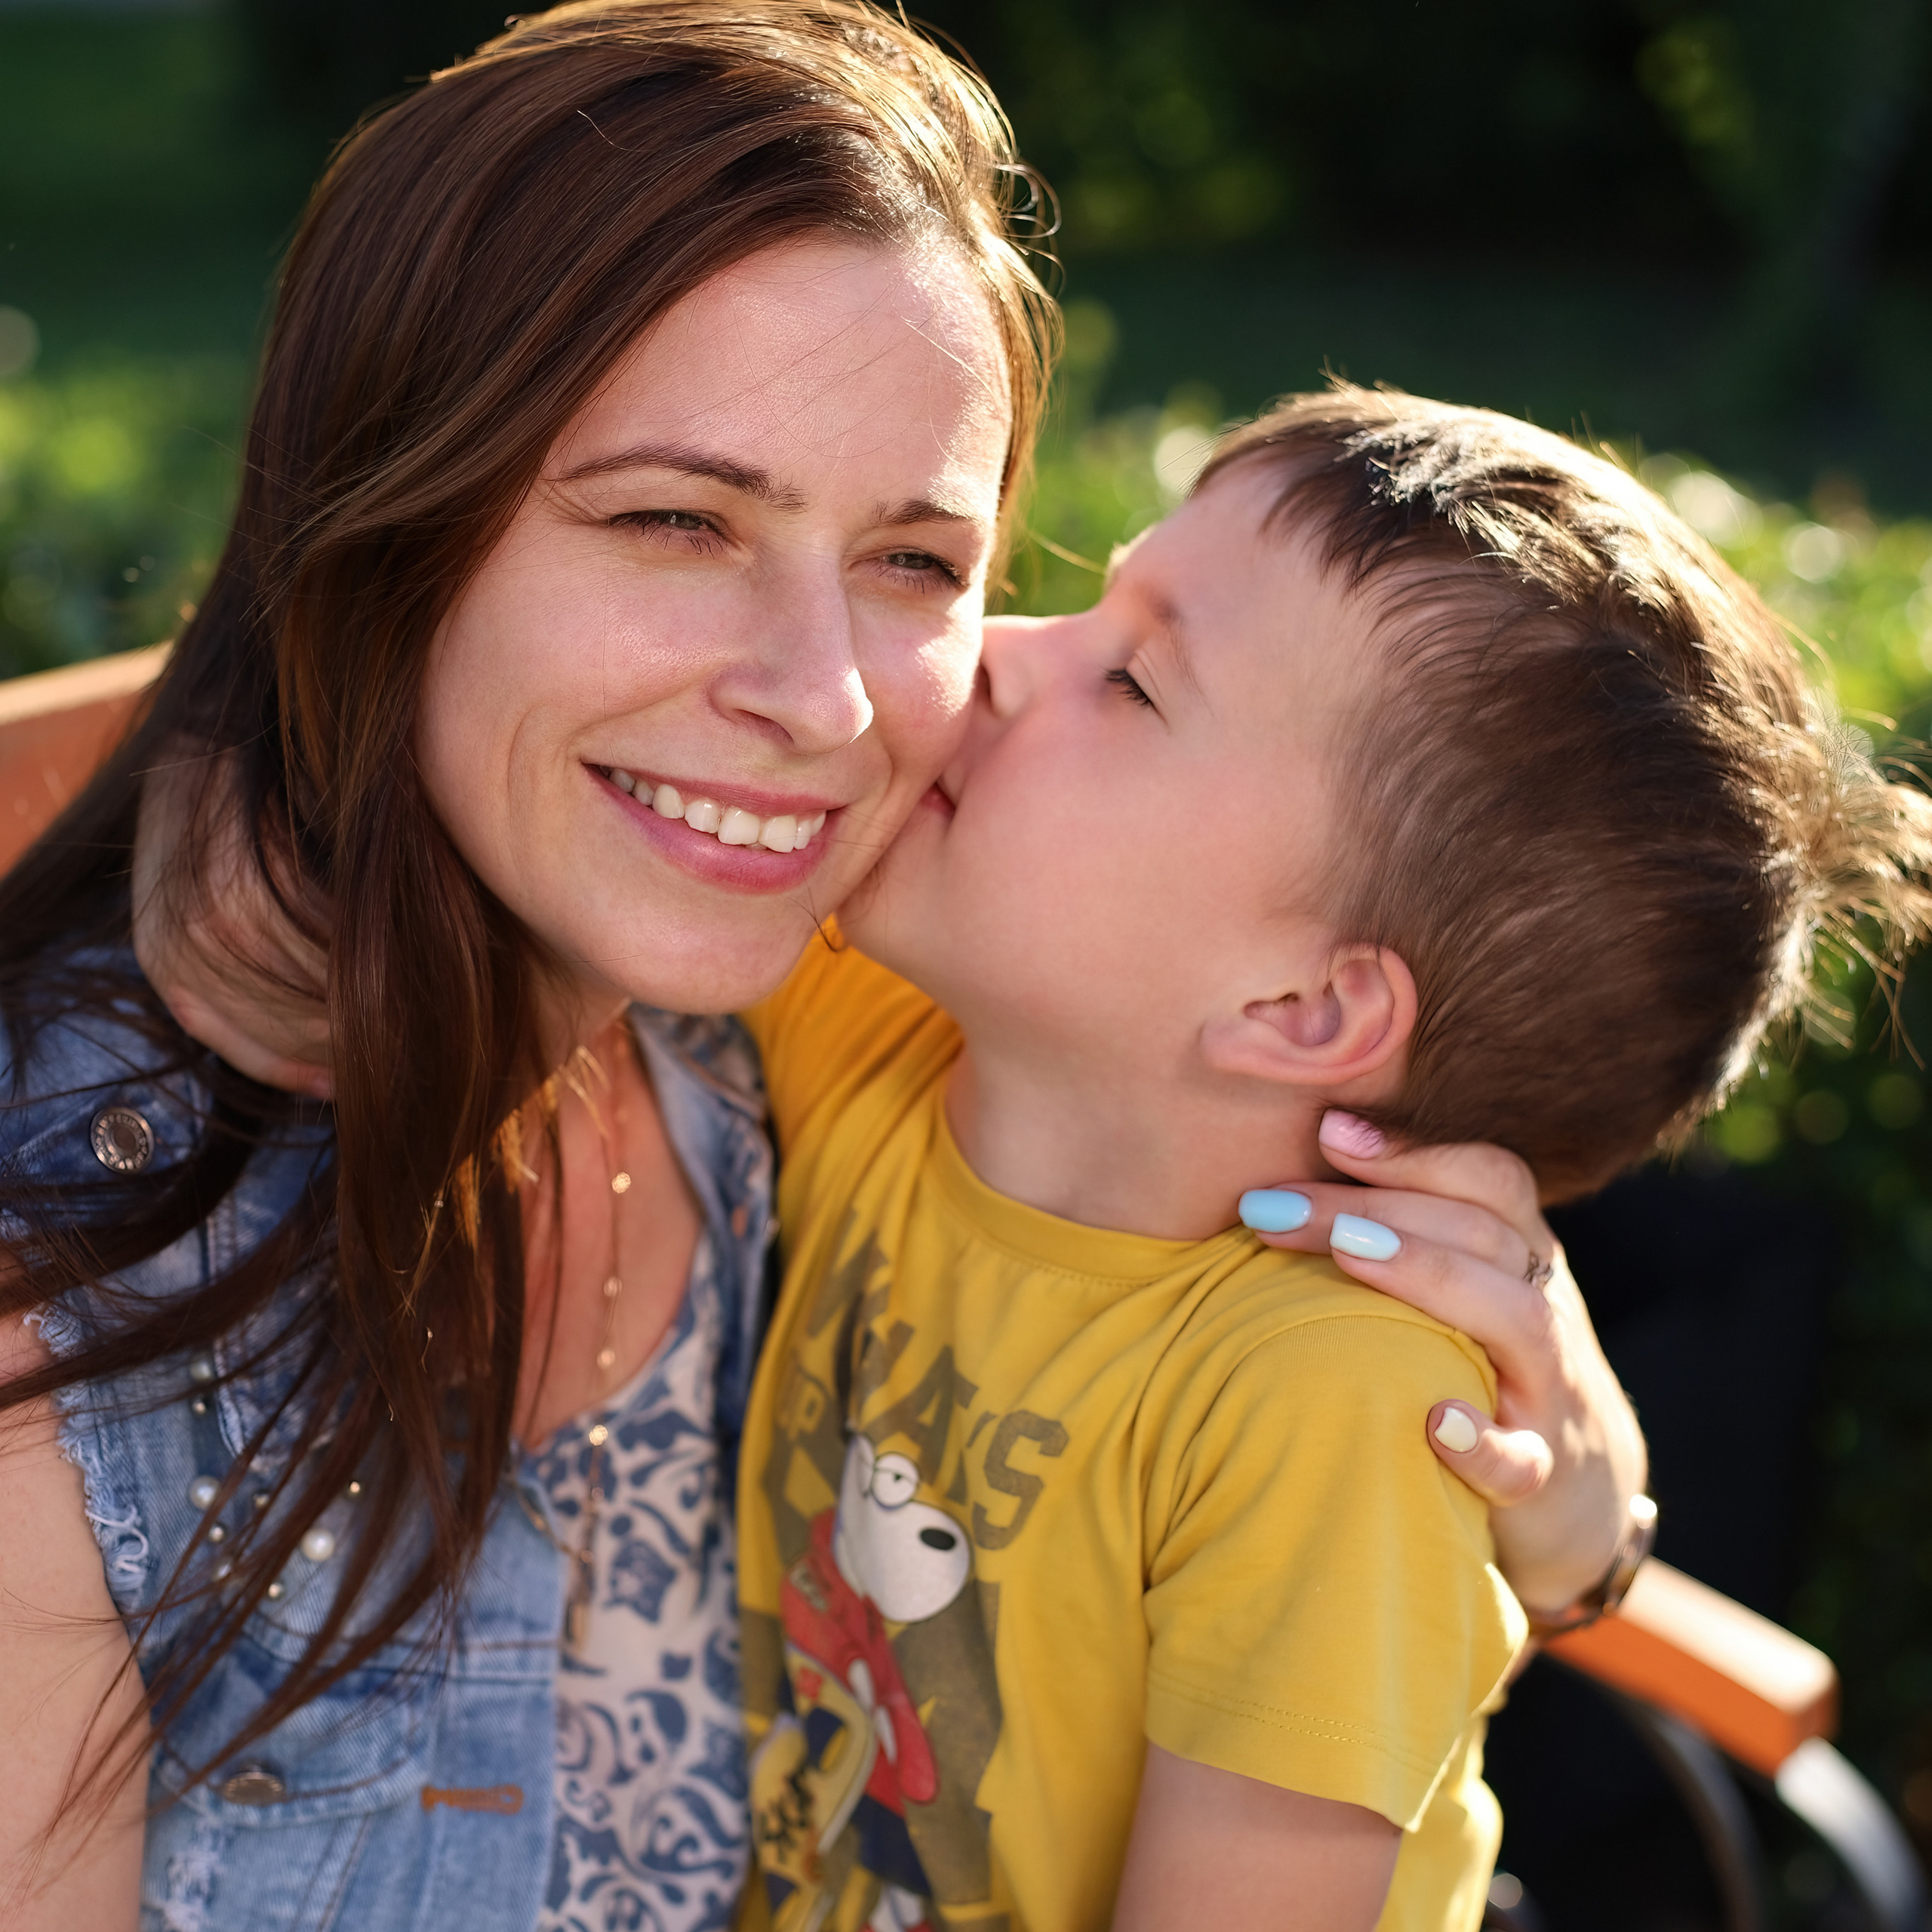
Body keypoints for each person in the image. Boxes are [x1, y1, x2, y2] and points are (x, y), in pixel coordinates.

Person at [0, 8, 1641, 1931]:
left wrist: (1566, 1506)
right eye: (675, 520)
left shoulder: (808, 1003)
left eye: (917, 561)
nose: (824, 700)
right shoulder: (75, 1322)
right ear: (379, 529)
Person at [730, 386, 1932, 1931]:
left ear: (1300, 1005)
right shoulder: (879, 1034)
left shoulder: (1330, 1407)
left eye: (1133, 681)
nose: (996, 649)